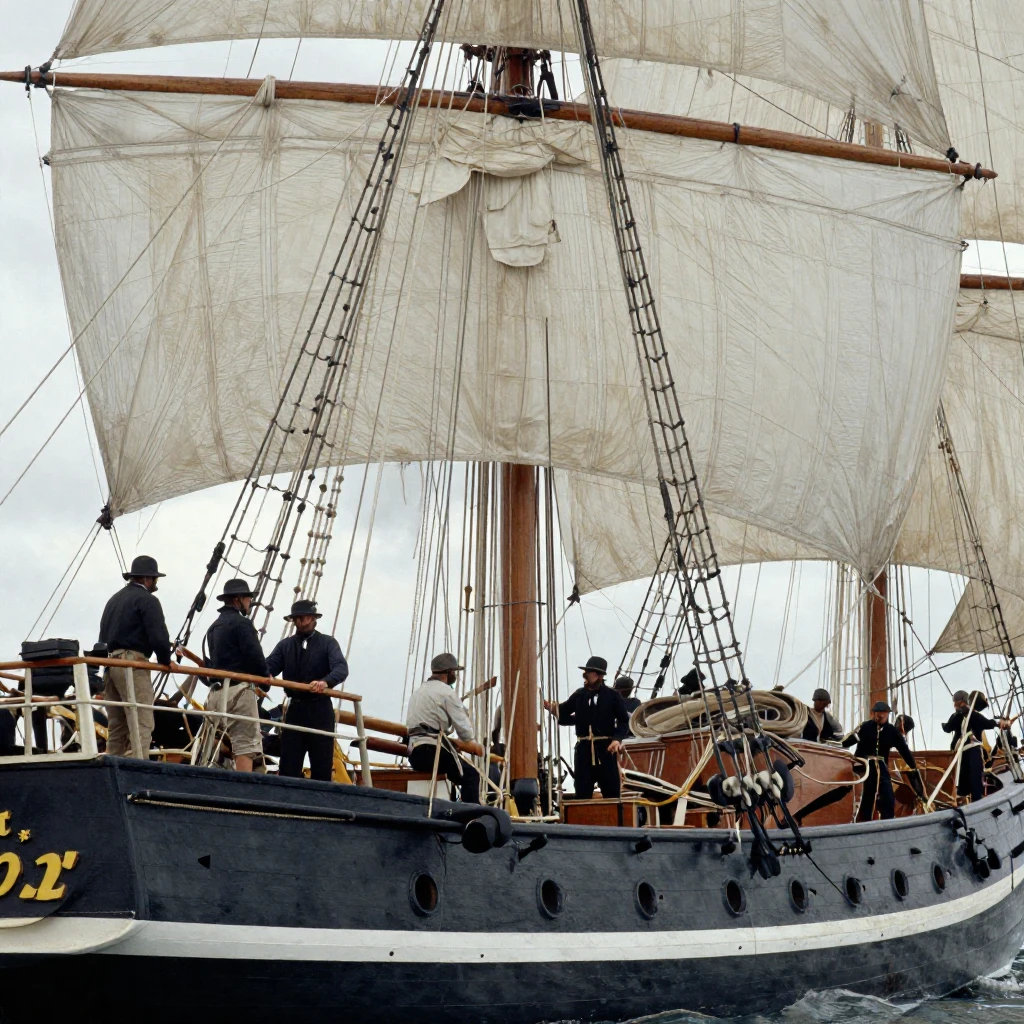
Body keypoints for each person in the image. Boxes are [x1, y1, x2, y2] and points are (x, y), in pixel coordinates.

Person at [97, 555, 172, 758]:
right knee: (142, 722)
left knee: (117, 725)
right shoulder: (148, 600)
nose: (156, 583)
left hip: (109, 664)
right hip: (132, 664)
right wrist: (166, 661)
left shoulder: (114, 600)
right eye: (155, 578)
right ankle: (138, 767)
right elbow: (158, 637)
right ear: (147, 579)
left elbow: (103, 636)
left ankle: (113, 764)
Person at [266, 599, 349, 782]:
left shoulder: (328, 643)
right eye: (297, 619)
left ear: (313, 619)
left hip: (320, 710)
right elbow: (269, 666)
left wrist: (325, 682)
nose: (301, 622)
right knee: (288, 765)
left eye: (305, 618)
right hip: (295, 709)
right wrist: (266, 674)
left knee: (322, 766)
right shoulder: (285, 646)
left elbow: (341, 668)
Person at [203, 579, 268, 773]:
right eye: (248, 598)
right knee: (246, 746)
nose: (250, 602)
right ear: (238, 599)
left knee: (214, 741)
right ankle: (243, 786)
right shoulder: (243, 624)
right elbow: (256, 659)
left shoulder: (213, 627)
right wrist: (265, 681)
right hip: (238, 693)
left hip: (216, 695)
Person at [544, 656, 630, 800]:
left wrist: (616, 740)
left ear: (599, 676)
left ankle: (614, 813)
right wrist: (552, 709)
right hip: (583, 750)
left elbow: (623, 720)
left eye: (589, 673)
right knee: (582, 791)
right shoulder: (579, 695)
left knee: (611, 791)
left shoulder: (612, 696)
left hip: (605, 750)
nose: (586, 676)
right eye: (586, 673)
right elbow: (564, 712)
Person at [406, 653, 484, 802]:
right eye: (454, 672)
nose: (455, 675)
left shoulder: (419, 691)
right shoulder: (447, 692)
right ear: (449, 673)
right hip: (431, 752)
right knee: (471, 776)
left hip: (414, 753)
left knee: (453, 770)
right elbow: (465, 732)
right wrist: (475, 746)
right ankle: (471, 814)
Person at [843, 701, 923, 821]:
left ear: (888, 714)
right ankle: (864, 821)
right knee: (868, 794)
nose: (880, 716)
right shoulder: (865, 727)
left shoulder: (892, 731)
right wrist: (840, 745)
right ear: (874, 713)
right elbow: (848, 742)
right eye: (878, 713)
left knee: (888, 795)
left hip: (881, 766)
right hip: (865, 765)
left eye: (883, 713)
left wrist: (913, 767)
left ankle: (888, 821)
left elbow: (904, 750)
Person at [941, 690, 1008, 803]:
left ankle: (965, 800)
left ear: (961, 702)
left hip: (962, 753)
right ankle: (975, 800)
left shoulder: (958, 716)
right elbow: (988, 723)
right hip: (972, 752)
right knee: (975, 779)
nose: (954, 705)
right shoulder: (973, 715)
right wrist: (999, 723)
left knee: (964, 781)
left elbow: (947, 728)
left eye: (955, 702)